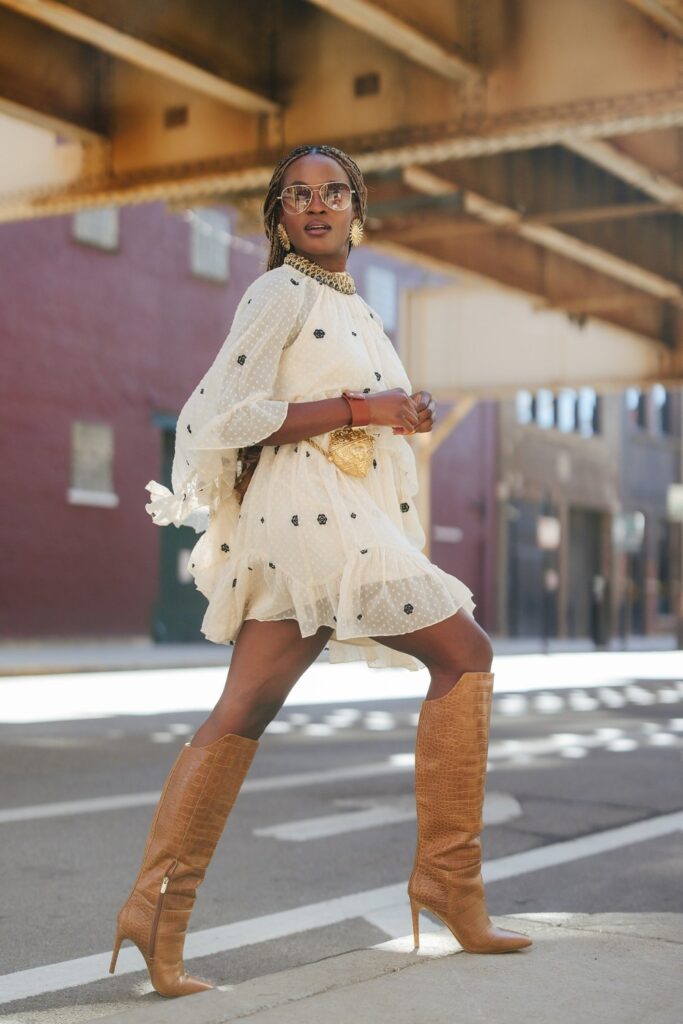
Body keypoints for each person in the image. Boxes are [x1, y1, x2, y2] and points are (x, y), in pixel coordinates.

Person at [109, 143, 532, 998]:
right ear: (278, 216)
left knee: (244, 707)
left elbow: (355, 414)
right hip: (311, 516)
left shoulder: (357, 307)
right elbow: (226, 415)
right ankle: (449, 883)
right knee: (464, 652)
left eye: (332, 193)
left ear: (356, 209)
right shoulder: (280, 290)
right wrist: (361, 407)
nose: (316, 205)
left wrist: (396, 415)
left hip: (323, 516)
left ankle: (155, 912)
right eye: (297, 195)